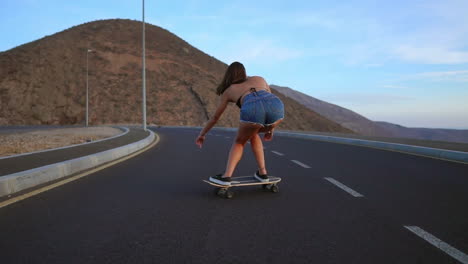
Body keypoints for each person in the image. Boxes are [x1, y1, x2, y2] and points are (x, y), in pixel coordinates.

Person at [195, 62, 284, 186]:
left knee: (239, 142)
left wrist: (202, 134)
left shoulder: (230, 90)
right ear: (244, 71)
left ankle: (226, 177)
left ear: (229, 75)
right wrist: (270, 129)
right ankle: (263, 173)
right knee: (253, 134)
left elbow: (215, 117)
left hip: (253, 111)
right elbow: (268, 101)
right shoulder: (260, 79)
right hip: (277, 108)